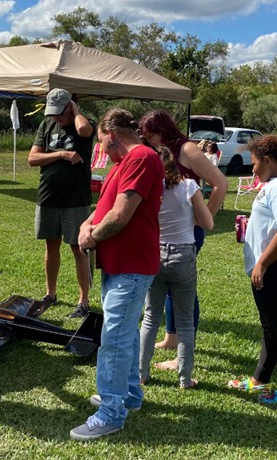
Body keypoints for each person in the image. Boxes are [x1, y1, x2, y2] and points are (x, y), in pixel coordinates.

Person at [71, 108, 164, 441]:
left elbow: (121, 215)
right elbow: (104, 208)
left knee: (113, 339)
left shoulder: (141, 158)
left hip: (132, 264)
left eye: (101, 142)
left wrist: (91, 237)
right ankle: (129, 395)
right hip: (118, 264)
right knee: (125, 334)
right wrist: (86, 224)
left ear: (111, 134)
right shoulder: (123, 163)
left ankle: (110, 413)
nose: (101, 149)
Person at [138, 110, 228, 366]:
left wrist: (204, 216)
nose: (148, 141)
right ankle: (171, 337)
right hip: (166, 231)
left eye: (150, 136)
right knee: (169, 287)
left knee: (183, 289)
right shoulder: (163, 150)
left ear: (162, 131)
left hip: (187, 232)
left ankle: (182, 356)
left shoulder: (187, 149)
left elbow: (221, 183)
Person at [228, 135, 277, 405]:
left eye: (254, 163)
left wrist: (262, 263)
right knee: (270, 326)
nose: (252, 169)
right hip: (270, 265)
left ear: (268, 160)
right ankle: (259, 379)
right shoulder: (276, 184)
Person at [139, 146, 213, 389]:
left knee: (150, 317)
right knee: (185, 321)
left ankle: (141, 374)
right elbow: (208, 223)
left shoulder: (147, 188)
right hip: (183, 254)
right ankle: (184, 378)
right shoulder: (189, 186)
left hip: (156, 254)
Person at [28, 88, 96, 318]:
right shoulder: (46, 125)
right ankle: (50, 294)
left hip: (76, 200)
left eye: (60, 112)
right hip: (48, 196)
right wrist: (61, 154)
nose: (56, 117)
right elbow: (32, 158)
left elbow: (84, 130)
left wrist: (76, 112)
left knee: (79, 248)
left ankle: (83, 301)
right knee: (51, 246)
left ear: (70, 107)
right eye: (53, 113)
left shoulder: (84, 123)